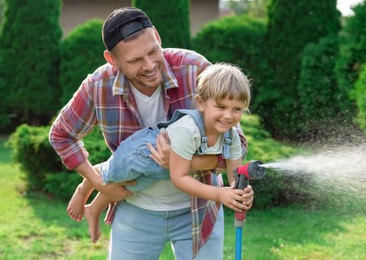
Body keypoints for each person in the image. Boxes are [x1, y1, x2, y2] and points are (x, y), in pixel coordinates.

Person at [49, 7, 253, 259]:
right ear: (112, 59)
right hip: (136, 212)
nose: (149, 65)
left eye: (153, 51)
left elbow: (236, 141)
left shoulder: (195, 70)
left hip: (199, 211)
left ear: (157, 35)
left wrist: (184, 162)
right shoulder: (98, 86)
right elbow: (61, 135)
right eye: (135, 60)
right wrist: (100, 184)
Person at [73, 63, 251, 243]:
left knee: (125, 189)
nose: (229, 116)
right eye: (221, 107)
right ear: (201, 103)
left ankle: (93, 209)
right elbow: (179, 178)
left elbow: (235, 174)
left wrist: (240, 191)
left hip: (163, 170)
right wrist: (219, 194)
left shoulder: (231, 136)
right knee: (111, 174)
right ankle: (84, 188)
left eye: (237, 109)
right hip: (143, 153)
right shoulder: (189, 130)